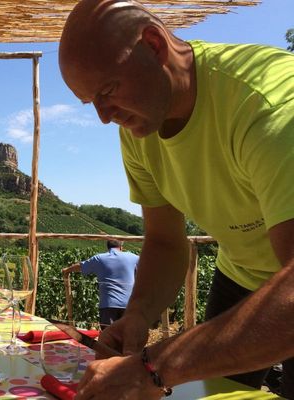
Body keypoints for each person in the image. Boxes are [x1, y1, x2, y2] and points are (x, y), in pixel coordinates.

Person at [58, 0, 294, 399]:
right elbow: (165, 242)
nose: (103, 116)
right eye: (91, 103)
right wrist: (138, 315)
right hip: (241, 274)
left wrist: (153, 367)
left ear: (154, 44)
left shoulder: (268, 105)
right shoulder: (139, 129)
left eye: (108, 91)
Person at [62, 239, 138, 329]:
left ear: (107, 247)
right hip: (129, 305)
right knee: (128, 336)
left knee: (109, 337)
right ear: (121, 247)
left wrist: (67, 270)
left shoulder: (99, 258)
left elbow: (81, 266)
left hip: (108, 305)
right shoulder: (133, 257)